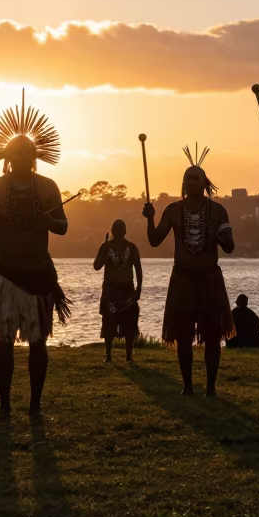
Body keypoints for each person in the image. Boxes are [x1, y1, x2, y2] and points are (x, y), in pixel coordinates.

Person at [0, 95, 70, 418]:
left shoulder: (47, 187)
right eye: (16, 152)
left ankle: (34, 404)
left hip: (39, 272)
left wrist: (46, 220)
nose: (22, 157)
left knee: (38, 342)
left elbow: (63, 227)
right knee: (3, 343)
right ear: (7, 155)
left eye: (27, 152)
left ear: (35, 155)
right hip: (4, 272)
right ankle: (4, 404)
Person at [143, 150, 235, 396]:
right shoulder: (173, 210)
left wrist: (220, 236)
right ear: (183, 183)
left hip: (209, 279)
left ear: (205, 183)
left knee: (213, 336)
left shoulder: (218, 211)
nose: (192, 182)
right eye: (188, 178)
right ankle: (187, 386)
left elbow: (230, 246)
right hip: (182, 279)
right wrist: (150, 219)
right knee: (182, 336)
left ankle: (211, 388)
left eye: (197, 178)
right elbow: (154, 241)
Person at [94, 219, 142, 364]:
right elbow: (97, 266)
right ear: (112, 231)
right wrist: (103, 250)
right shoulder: (106, 247)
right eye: (116, 229)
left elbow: (139, 271)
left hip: (128, 289)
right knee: (108, 323)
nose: (119, 231)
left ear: (125, 231)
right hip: (110, 290)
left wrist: (138, 290)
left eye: (121, 229)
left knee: (130, 325)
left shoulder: (132, 248)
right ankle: (108, 355)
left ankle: (129, 355)